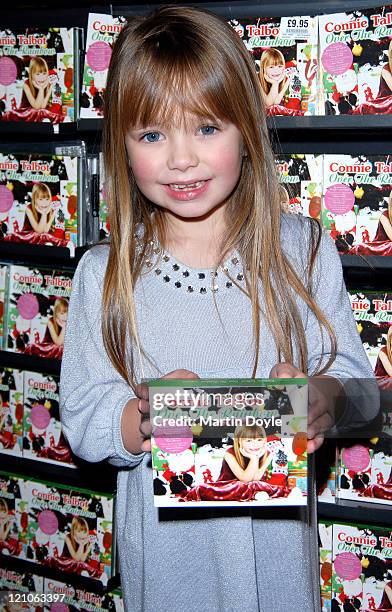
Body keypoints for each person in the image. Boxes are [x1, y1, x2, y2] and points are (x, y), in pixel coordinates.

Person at [59, 6, 377, 611]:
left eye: (207, 128)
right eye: (152, 135)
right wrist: (143, 418)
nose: (181, 159)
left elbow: (365, 397)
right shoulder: (104, 275)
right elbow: (82, 416)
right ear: (121, 146)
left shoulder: (303, 250)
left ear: (247, 131)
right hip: (169, 583)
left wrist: (321, 399)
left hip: (280, 579)